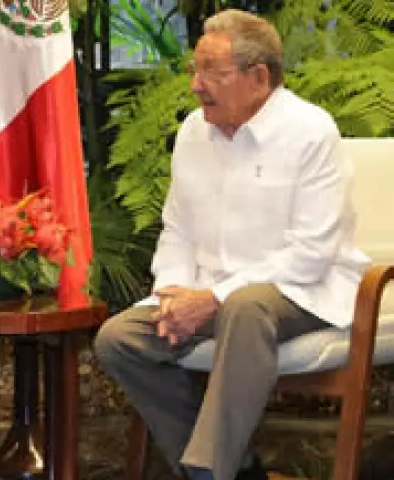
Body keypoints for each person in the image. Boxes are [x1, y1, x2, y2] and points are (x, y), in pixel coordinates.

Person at [94, 9, 369, 480]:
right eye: (194, 70)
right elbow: (177, 230)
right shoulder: (192, 132)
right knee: (119, 340)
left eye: (211, 72)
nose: (195, 85)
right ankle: (234, 470)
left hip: (304, 291)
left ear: (258, 77)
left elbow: (311, 253)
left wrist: (214, 298)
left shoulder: (310, 131)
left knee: (245, 307)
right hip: (210, 293)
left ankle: (208, 472)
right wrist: (174, 293)